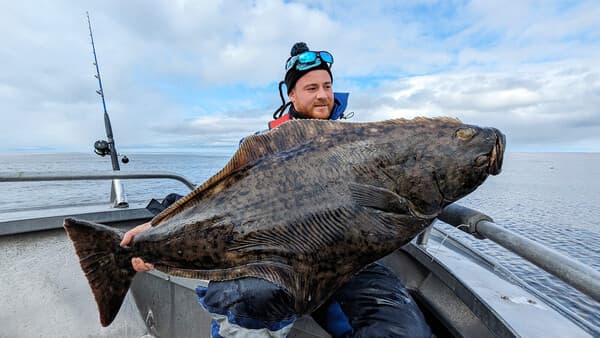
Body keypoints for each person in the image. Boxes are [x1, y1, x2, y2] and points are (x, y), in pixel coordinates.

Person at [121, 42, 433, 338]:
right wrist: (156, 227)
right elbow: (217, 200)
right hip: (276, 263)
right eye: (311, 88)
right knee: (243, 302)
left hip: (349, 263)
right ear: (292, 95)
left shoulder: (359, 142)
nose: (323, 95)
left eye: (327, 86)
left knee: (403, 328)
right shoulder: (264, 147)